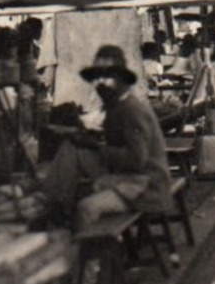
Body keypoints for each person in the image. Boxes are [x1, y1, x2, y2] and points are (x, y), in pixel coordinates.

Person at [41, 45, 173, 229]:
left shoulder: (130, 110)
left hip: (146, 186)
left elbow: (136, 160)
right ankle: (50, 200)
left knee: (86, 207)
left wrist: (97, 147)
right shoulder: (117, 105)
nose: (101, 83)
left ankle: (92, 253)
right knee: (72, 148)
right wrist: (88, 139)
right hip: (133, 178)